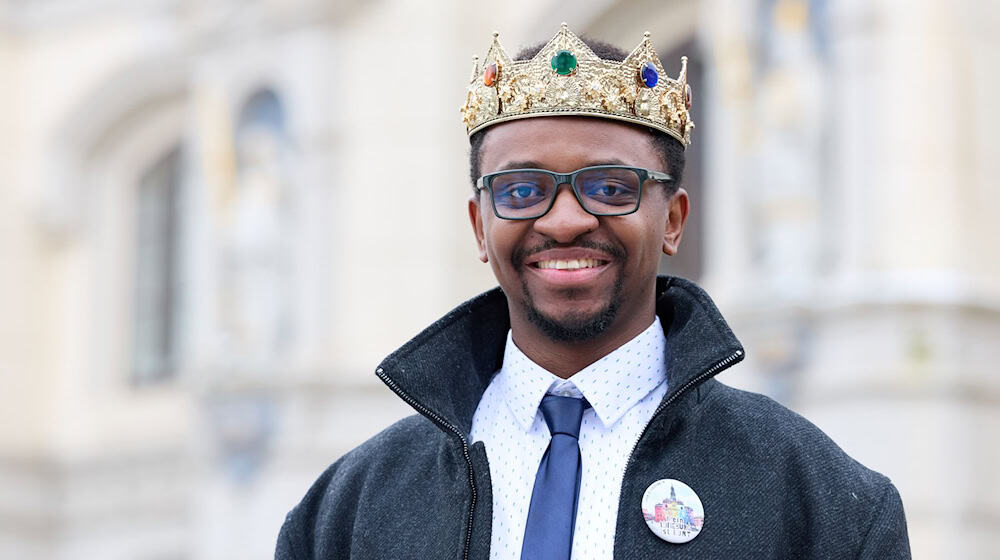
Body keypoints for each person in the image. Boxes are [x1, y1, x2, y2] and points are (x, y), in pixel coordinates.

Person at [275, 24, 911, 560]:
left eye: (610, 187)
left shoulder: (818, 501)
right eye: (522, 190)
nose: (563, 220)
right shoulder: (352, 507)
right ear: (479, 224)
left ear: (673, 220)